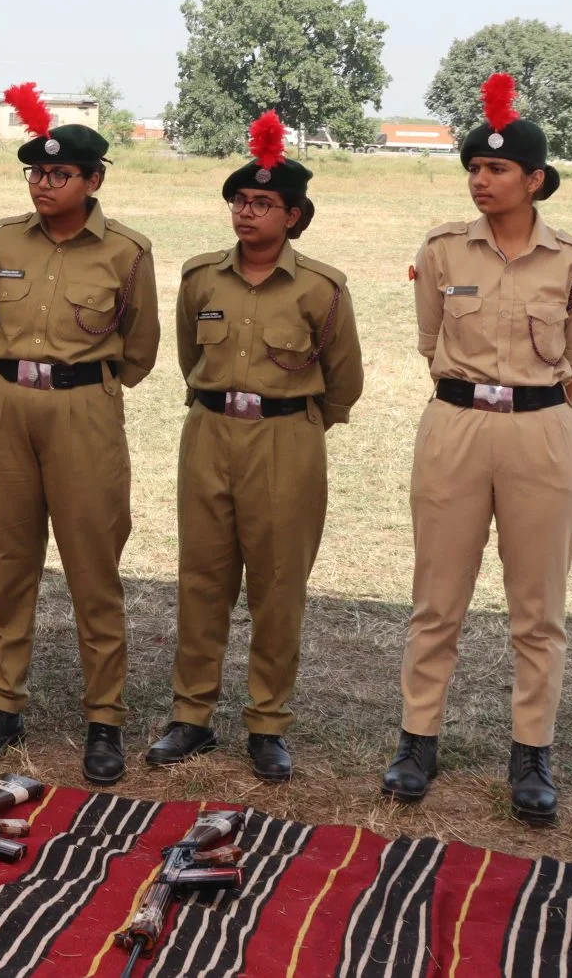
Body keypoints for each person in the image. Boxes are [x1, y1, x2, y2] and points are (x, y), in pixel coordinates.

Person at [382, 73, 572, 827]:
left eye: (498, 168)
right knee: (436, 598)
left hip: (542, 430)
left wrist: (525, 411)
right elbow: (430, 344)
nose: (481, 180)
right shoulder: (443, 250)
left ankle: (531, 753)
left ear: (535, 180)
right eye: (474, 167)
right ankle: (417, 741)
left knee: (538, 608)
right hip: (455, 424)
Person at [147, 110, 364, 783]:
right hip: (209, 431)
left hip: (286, 437)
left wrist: (297, 425)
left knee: (277, 585)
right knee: (202, 578)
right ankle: (191, 715)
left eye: (262, 204)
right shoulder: (201, 278)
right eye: (239, 201)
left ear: (293, 216)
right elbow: (189, 356)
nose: (246, 212)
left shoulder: (321, 288)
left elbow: (344, 379)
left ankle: (268, 723)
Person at [0, 83, 158, 785]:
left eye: (59, 174)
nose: (44, 185)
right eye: (36, 173)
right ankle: (1, 705)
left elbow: (140, 352)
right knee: (7, 567)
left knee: (93, 572)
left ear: (94, 180)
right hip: (6, 407)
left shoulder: (127, 252)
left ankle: (104, 719)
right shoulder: (5, 240)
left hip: (84, 413)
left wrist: (83, 386)